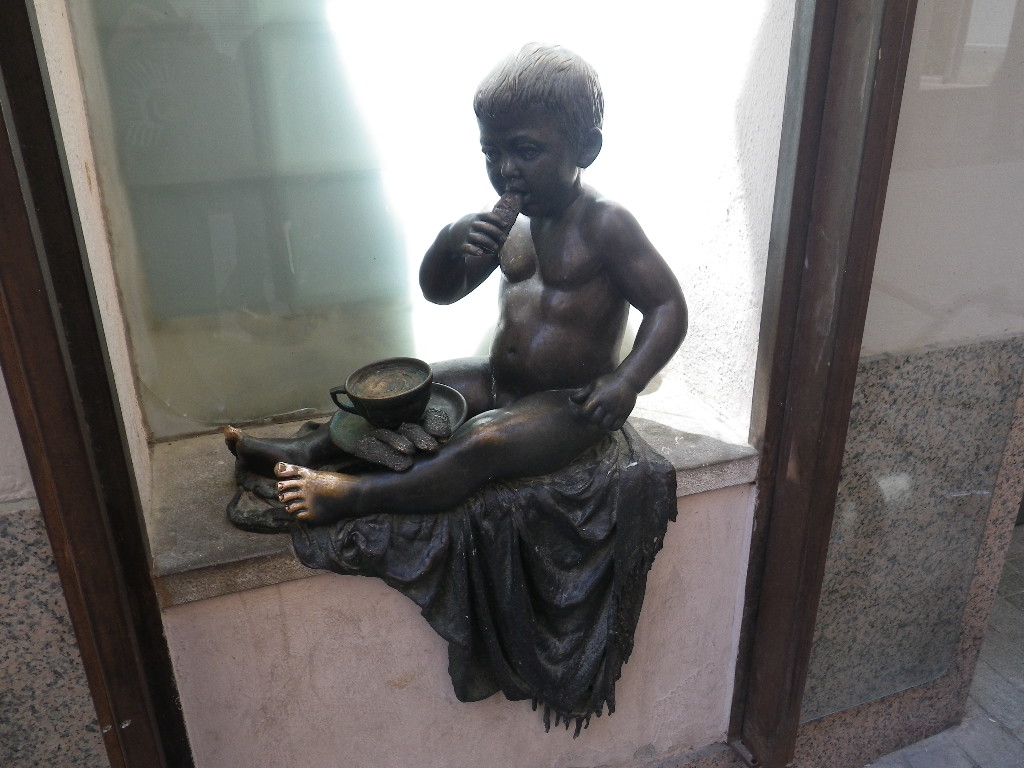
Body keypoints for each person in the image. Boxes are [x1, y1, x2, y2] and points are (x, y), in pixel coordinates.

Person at [226, 42, 686, 526]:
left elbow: (668, 307)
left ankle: (354, 495)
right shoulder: (506, 223)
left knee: (482, 442)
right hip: (497, 379)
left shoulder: (605, 224)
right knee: (402, 389)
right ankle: (309, 448)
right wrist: (450, 241)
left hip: (571, 405)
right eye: (492, 153)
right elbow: (442, 292)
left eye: (527, 151)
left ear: (586, 148)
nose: (507, 170)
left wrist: (625, 382)